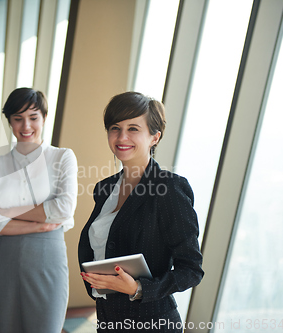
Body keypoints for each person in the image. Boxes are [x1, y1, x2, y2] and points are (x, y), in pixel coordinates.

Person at [78, 92, 204, 332]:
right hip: (108, 319)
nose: (121, 137)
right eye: (115, 128)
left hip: (152, 323)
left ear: (154, 137)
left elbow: (191, 269)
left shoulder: (169, 189)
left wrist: (139, 289)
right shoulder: (104, 189)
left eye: (133, 128)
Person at [0, 88, 78, 333]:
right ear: (9, 121)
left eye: (33, 117)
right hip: (4, 262)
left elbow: (63, 209)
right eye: (18, 118)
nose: (26, 125)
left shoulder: (62, 157)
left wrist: (5, 211)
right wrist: (41, 223)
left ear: (44, 118)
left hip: (47, 260)